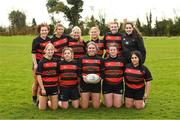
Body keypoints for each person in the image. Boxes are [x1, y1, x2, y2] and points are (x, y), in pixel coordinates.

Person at [78, 42, 104, 109]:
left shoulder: (100, 59)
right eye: (90, 48)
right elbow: (78, 71)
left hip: (96, 83)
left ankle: (97, 100)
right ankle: (81, 100)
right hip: (84, 83)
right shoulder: (82, 58)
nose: (91, 50)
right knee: (84, 107)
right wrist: (82, 77)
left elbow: (103, 72)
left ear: (96, 49)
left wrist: (100, 78)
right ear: (87, 49)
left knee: (96, 107)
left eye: (93, 48)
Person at [31, 23, 51, 105]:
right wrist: (35, 64)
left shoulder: (49, 39)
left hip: (46, 64)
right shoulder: (36, 40)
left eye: (45, 30)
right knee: (37, 82)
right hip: (38, 63)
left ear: (48, 31)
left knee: (44, 82)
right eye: (42, 30)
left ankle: (41, 99)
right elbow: (33, 53)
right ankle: (34, 98)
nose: (44, 32)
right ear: (39, 31)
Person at [36, 43, 59, 110]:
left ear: (54, 51)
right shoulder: (41, 62)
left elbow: (58, 74)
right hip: (45, 87)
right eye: (48, 50)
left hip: (54, 87)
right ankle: (40, 101)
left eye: (52, 50)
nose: (50, 51)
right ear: (45, 50)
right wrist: (42, 88)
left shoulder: (56, 61)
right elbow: (39, 76)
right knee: (42, 109)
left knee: (54, 108)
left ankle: (48, 101)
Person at [103, 43, 125, 108]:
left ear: (117, 51)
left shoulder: (122, 60)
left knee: (117, 106)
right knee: (109, 106)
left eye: (114, 50)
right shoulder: (104, 60)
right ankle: (106, 99)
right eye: (111, 50)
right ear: (108, 51)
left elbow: (124, 72)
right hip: (107, 84)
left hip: (118, 84)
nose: (112, 51)